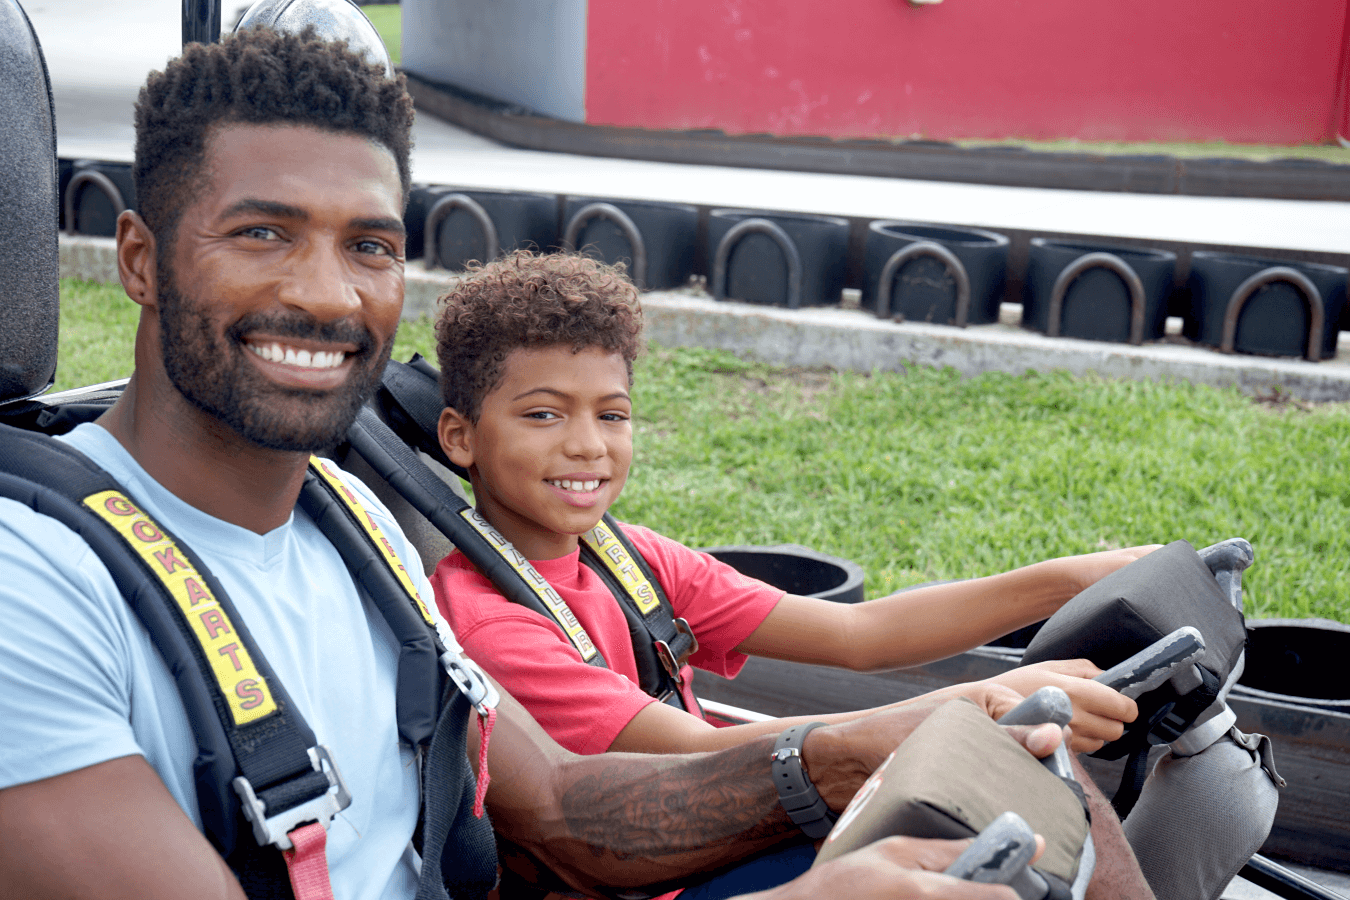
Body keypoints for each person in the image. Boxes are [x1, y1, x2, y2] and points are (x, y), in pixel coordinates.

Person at [0, 25, 1143, 900]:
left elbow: (560, 806)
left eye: (371, 246)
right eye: (264, 233)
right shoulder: (32, 591)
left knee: (1023, 793)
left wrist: (850, 752)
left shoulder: (352, 524)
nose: (328, 294)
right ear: (140, 261)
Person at [430, 249, 1152, 760]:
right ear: (461, 438)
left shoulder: (631, 558)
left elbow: (861, 634)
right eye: (544, 416)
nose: (589, 447)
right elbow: (696, 751)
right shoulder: (489, 622)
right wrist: (977, 704)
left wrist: (1075, 579)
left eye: (612, 416)